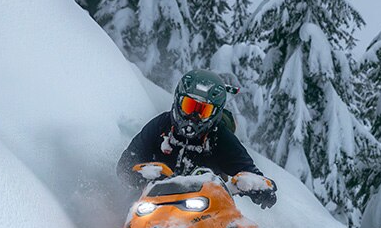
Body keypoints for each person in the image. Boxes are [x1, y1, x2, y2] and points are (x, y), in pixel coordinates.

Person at [117, 70, 277, 208]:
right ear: (178, 101)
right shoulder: (160, 126)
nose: (193, 117)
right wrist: (142, 174)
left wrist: (260, 188)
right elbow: (126, 162)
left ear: (215, 114)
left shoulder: (220, 137)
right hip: (153, 205)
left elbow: (248, 170)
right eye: (189, 106)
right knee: (123, 216)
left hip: (207, 210)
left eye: (203, 111)